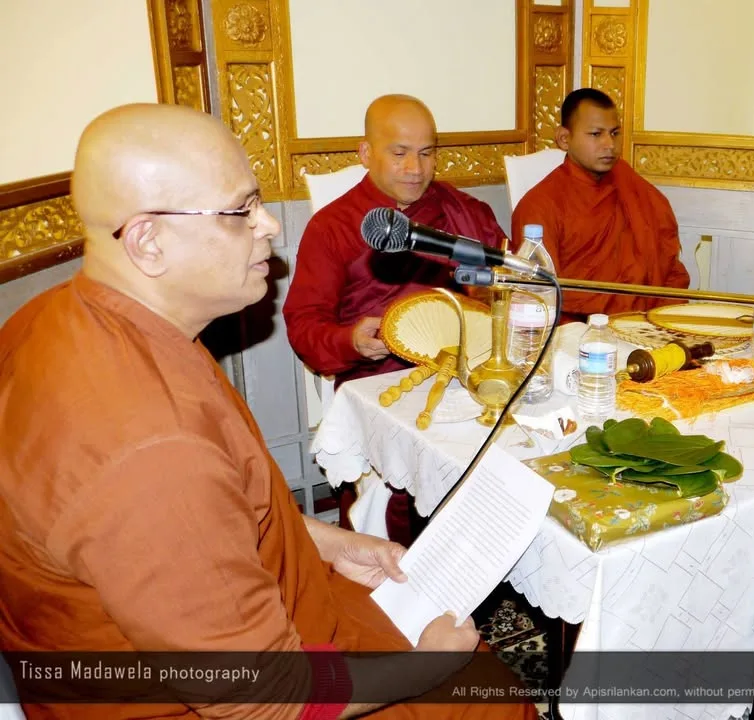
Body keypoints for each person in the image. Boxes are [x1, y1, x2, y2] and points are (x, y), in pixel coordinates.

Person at [0, 103, 535, 720]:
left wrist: (328, 543)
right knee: (484, 688)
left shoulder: (60, 318)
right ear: (148, 240)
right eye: (240, 211)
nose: (270, 227)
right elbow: (257, 700)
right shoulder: (152, 453)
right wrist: (426, 668)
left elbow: (215, 515)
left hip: (217, 624)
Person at [283, 94, 507, 544]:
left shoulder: (466, 212)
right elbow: (304, 323)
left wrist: (498, 294)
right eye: (399, 153)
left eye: (427, 153)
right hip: (382, 382)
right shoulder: (333, 227)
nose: (416, 169)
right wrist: (351, 341)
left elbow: (509, 283)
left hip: (468, 375)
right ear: (366, 153)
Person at [510, 88, 690, 321]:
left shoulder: (632, 187)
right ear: (565, 139)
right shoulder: (540, 206)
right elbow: (539, 296)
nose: (609, 145)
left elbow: (669, 269)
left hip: (648, 324)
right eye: (596, 134)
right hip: (577, 333)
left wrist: (658, 322)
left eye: (615, 133)